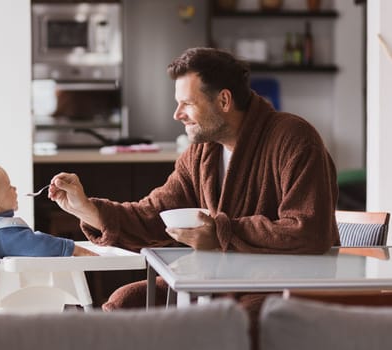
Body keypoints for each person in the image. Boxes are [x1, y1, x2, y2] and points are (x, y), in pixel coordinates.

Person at [47, 47, 339, 342]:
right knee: (127, 301)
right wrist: (87, 209)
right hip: (216, 282)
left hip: (278, 286)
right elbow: (154, 213)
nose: (177, 114)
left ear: (224, 100)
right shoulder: (201, 153)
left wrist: (221, 233)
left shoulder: (294, 139)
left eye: (187, 103)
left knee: (236, 324)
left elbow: (308, 230)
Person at [0, 161, 96, 262]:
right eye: (9, 187)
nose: (15, 188)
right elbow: (37, 244)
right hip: (16, 293)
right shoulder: (2, 235)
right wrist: (72, 249)